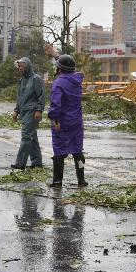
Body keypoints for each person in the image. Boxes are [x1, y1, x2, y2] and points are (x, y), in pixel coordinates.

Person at [47, 53, 87, 188]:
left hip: (62, 122)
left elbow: (55, 104)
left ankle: (57, 181)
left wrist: (54, 119)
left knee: (59, 151)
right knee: (78, 151)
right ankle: (81, 180)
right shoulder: (77, 80)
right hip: (76, 122)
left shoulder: (58, 83)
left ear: (59, 69)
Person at [12, 56, 45, 169]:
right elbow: (20, 97)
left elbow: (41, 95)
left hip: (32, 112)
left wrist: (39, 110)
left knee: (26, 137)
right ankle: (37, 163)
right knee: (32, 137)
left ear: (27, 66)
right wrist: (16, 111)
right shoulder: (22, 80)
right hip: (24, 112)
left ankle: (20, 164)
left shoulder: (36, 79)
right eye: (19, 66)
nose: (19, 68)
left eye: (21, 66)